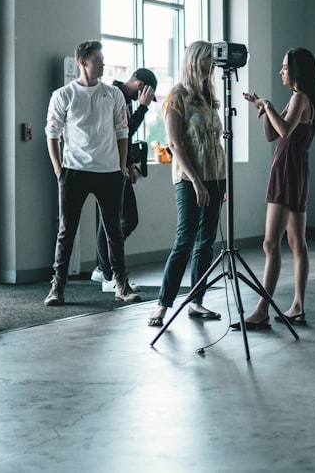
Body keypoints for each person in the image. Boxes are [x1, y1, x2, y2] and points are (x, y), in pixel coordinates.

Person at [44, 40, 140, 305]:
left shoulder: (114, 94)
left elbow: (123, 132)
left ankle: (121, 284)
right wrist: (58, 169)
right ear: (82, 62)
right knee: (67, 231)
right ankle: (57, 288)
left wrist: (121, 167)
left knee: (114, 231)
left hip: (109, 172)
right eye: (97, 59)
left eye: (103, 59)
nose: (103, 64)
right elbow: (52, 134)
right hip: (74, 171)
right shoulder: (63, 95)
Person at [235, 47, 315, 330]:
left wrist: (269, 106)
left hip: (286, 172)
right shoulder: (298, 99)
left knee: (270, 244)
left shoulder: (299, 98)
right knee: (296, 243)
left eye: (285, 67)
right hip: (295, 171)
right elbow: (273, 134)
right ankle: (297, 306)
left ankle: (262, 310)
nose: (281, 71)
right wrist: (263, 108)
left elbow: (284, 131)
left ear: (297, 70)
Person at [147, 41, 227, 327]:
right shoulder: (177, 96)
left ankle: (197, 301)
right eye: (209, 57)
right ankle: (162, 305)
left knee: (206, 243)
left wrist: (222, 181)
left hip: (215, 176)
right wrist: (196, 181)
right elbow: (175, 143)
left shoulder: (208, 96)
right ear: (195, 60)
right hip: (189, 178)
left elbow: (217, 142)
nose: (214, 62)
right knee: (184, 241)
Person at [90, 67, 157, 293]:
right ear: (141, 87)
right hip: (108, 168)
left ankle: (104, 266)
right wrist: (144, 108)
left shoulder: (124, 98)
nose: (146, 100)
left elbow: (122, 136)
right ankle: (107, 273)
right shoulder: (114, 95)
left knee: (127, 219)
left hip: (119, 168)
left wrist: (129, 165)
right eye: (147, 95)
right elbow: (125, 132)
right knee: (113, 222)